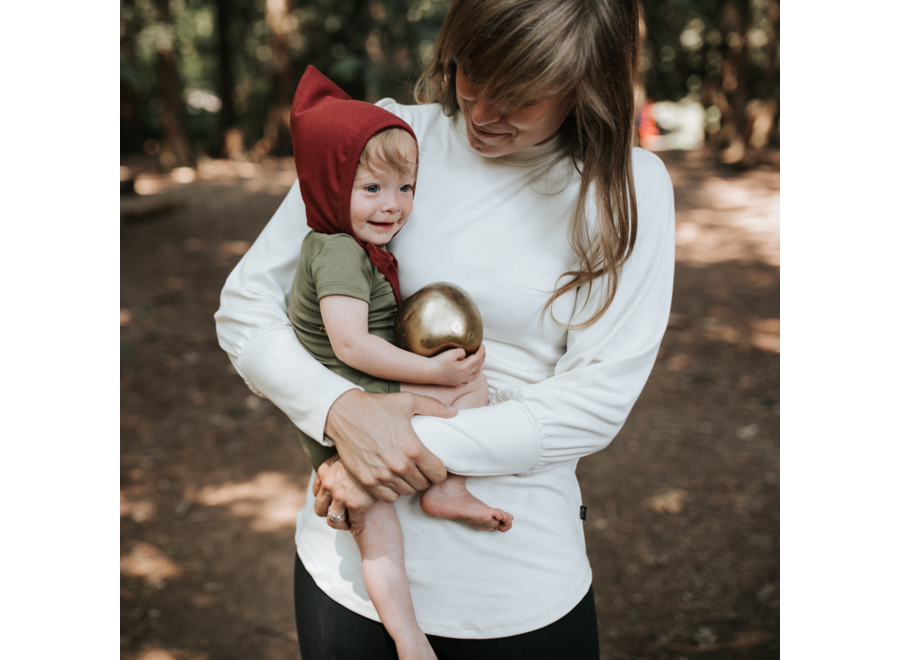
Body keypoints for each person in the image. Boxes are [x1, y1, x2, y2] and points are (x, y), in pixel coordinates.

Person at [215, 0, 675, 657]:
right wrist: (339, 411)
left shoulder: (629, 188)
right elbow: (245, 307)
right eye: (471, 75)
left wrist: (383, 452)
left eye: (519, 98)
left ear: (584, 84)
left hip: (517, 590)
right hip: (347, 580)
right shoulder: (388, 138)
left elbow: (595, 403)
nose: (484, 113)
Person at [286, 65, 512, 660]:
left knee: (474, 384)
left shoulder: (361, 246)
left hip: (379, 392)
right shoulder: (336, 252)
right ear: (332, 187)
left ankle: (448, 489)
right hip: (356, 411)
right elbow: (351, 345)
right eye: (372, 189)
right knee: (377, 530)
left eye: (405, 189)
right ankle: (408, 638)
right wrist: (434, 376)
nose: (393, 207)